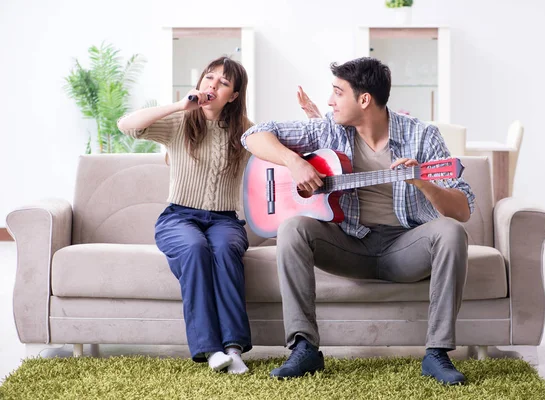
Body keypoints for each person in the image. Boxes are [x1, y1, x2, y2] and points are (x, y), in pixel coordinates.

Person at [241, 57, 475, 385]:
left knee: (451, 232)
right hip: (347, 244)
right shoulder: (329, 129)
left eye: (338, 93)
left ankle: (437, 353)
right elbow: (253, 136)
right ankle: (304, 348)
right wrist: (294, 163)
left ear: (364, 100)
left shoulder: (423, 136)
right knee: (293, 228)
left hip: (404, 248)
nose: (329, 101)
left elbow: (463, 209)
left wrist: (423, 182)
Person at [118, 56, 253, 374]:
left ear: (233, 96)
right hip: (178, 217)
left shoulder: (244, 131)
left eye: (223, 83)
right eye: (209, 77)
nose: (213, 85)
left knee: (226, 247)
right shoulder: (181, 121)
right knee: (194, 248)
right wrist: (180, 105)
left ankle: (234, 349)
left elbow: (279, 145)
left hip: (224, 219)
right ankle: (210, 350)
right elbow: (127, 125)